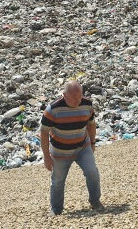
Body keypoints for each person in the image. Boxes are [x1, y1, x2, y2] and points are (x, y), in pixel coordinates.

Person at [40, 80, 103, 215]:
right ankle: (56, 210)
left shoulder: (87, 104)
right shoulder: (53, 109)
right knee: (57, 180)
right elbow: (44, 132)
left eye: (79, 96)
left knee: (92, 172)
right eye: (73, 97)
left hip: (82, 146)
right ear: (64, 95)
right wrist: (46, 156)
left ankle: (95, 201)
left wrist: (92, 142)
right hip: (60, 152)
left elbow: (91, 124)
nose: (77, 100)